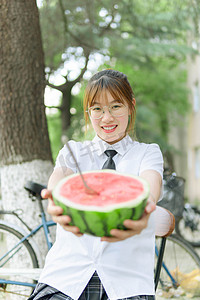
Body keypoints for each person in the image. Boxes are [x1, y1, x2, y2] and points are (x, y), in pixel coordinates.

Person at [29, 69, 163, 300]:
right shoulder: (73, 152)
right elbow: (58, 180)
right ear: (88, 112)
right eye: (97, 109)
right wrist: (54, 199)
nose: (107, 118)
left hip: (126, 282)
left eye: (115, 106)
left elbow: (150, 189)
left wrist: (144, 209)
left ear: (130, 106)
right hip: (66, 278)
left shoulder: (148, 153)